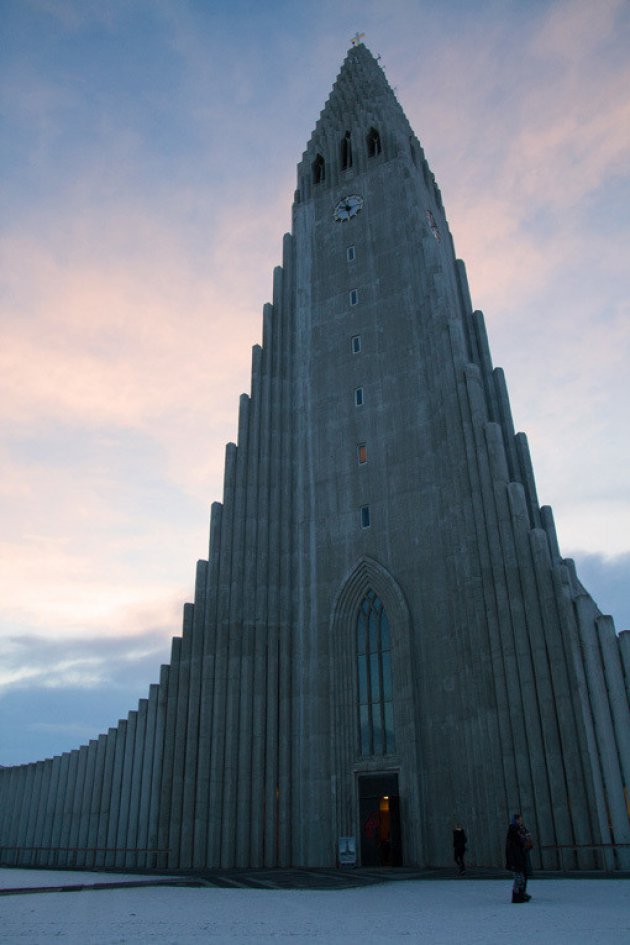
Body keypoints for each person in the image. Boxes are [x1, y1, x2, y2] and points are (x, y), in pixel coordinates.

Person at [505, 813, 532, 903]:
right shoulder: (514, 831)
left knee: (521, 878)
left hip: (519, 857)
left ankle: (520, 895)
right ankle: (517, 896)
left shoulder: (519, 830)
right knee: (519, 878)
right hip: (516, 858)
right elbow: (517, 844)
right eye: (519, 819)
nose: (521, 821)